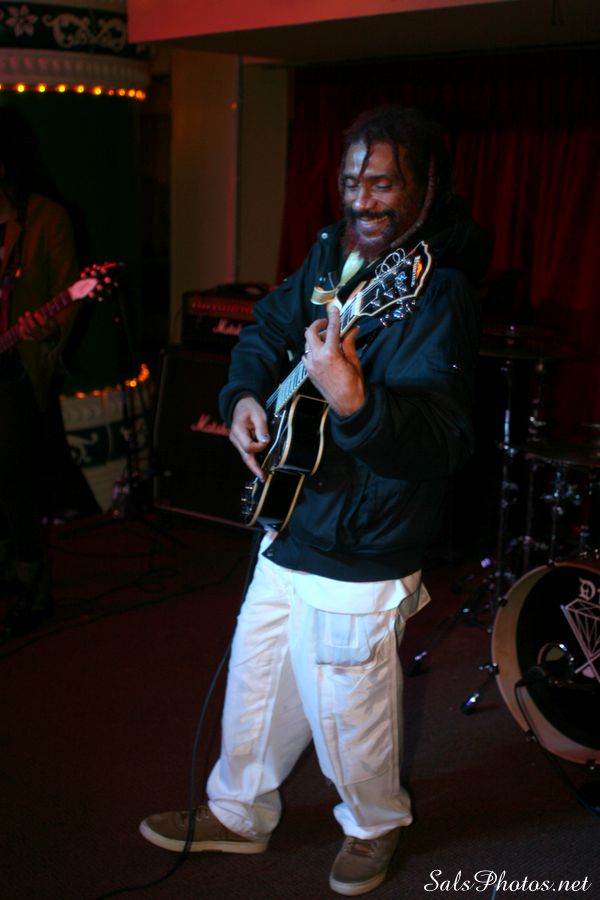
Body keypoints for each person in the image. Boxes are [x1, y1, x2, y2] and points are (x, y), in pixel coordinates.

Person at [140, 105, 491, 895]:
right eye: (349, 180)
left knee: (348, 704)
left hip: (366, 538)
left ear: (427, 185)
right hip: (294, 512)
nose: (362, 199)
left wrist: (355, 400)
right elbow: (269, 330)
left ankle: (374, 824)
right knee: (258, 680)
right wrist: (242, 397)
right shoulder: (334, 252)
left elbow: (442, 440)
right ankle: (239, 812)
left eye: (382, 184)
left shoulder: (437, 292)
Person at [0, 108, 79, 637]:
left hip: (16, 370)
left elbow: (69, 294)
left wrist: (45, 328)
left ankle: (32, 589)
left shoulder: (47, 218)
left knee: (12, 480)